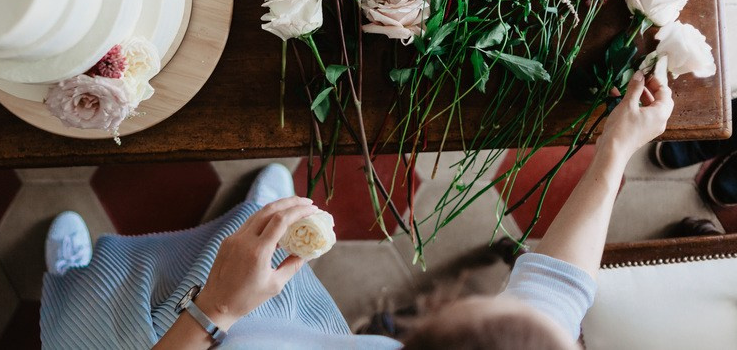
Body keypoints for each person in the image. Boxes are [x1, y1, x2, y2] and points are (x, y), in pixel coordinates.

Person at [40, 69, 673, 349]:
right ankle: (254, 223)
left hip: (170, 341)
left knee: (97, 305)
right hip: (290, 331)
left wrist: (215, 311)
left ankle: (71, 284)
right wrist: (616, 148)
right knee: (243, 253)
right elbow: (560, 290)